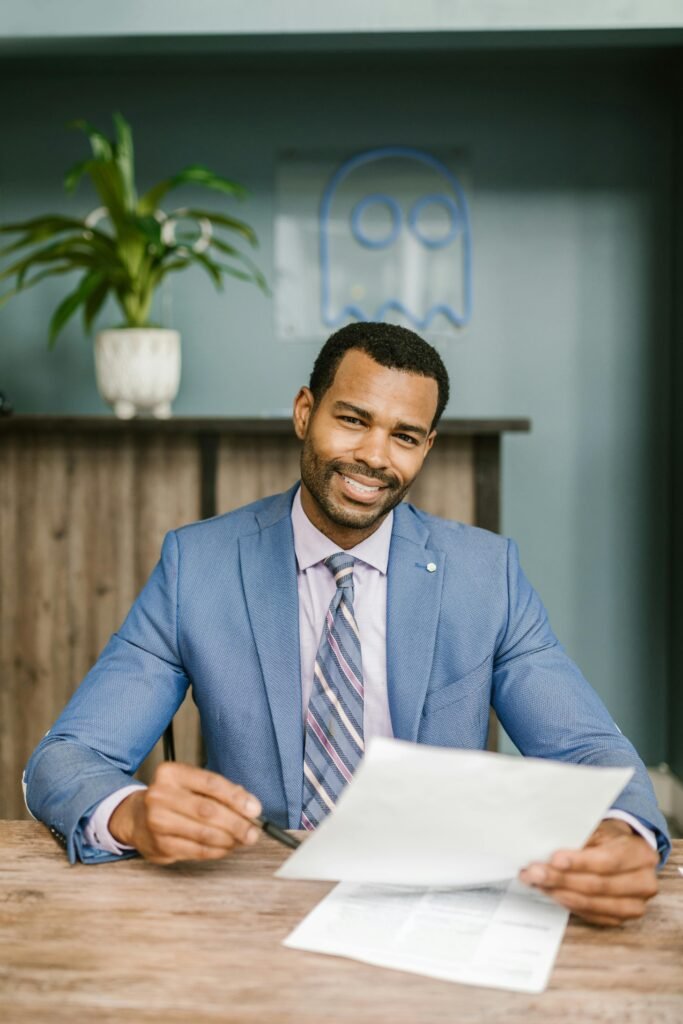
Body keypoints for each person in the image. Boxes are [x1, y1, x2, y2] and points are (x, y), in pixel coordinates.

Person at [25, 322, 668, 926]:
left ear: (426, 446)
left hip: (441, 906)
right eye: (353, 420)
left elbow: (590, 751)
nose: (374, 457)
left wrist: (625, 832)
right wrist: (133, 815)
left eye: (405, 436)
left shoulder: (487, 575)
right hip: (256, 900)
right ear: (306, 412)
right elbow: (68, 757)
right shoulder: (198, 566)